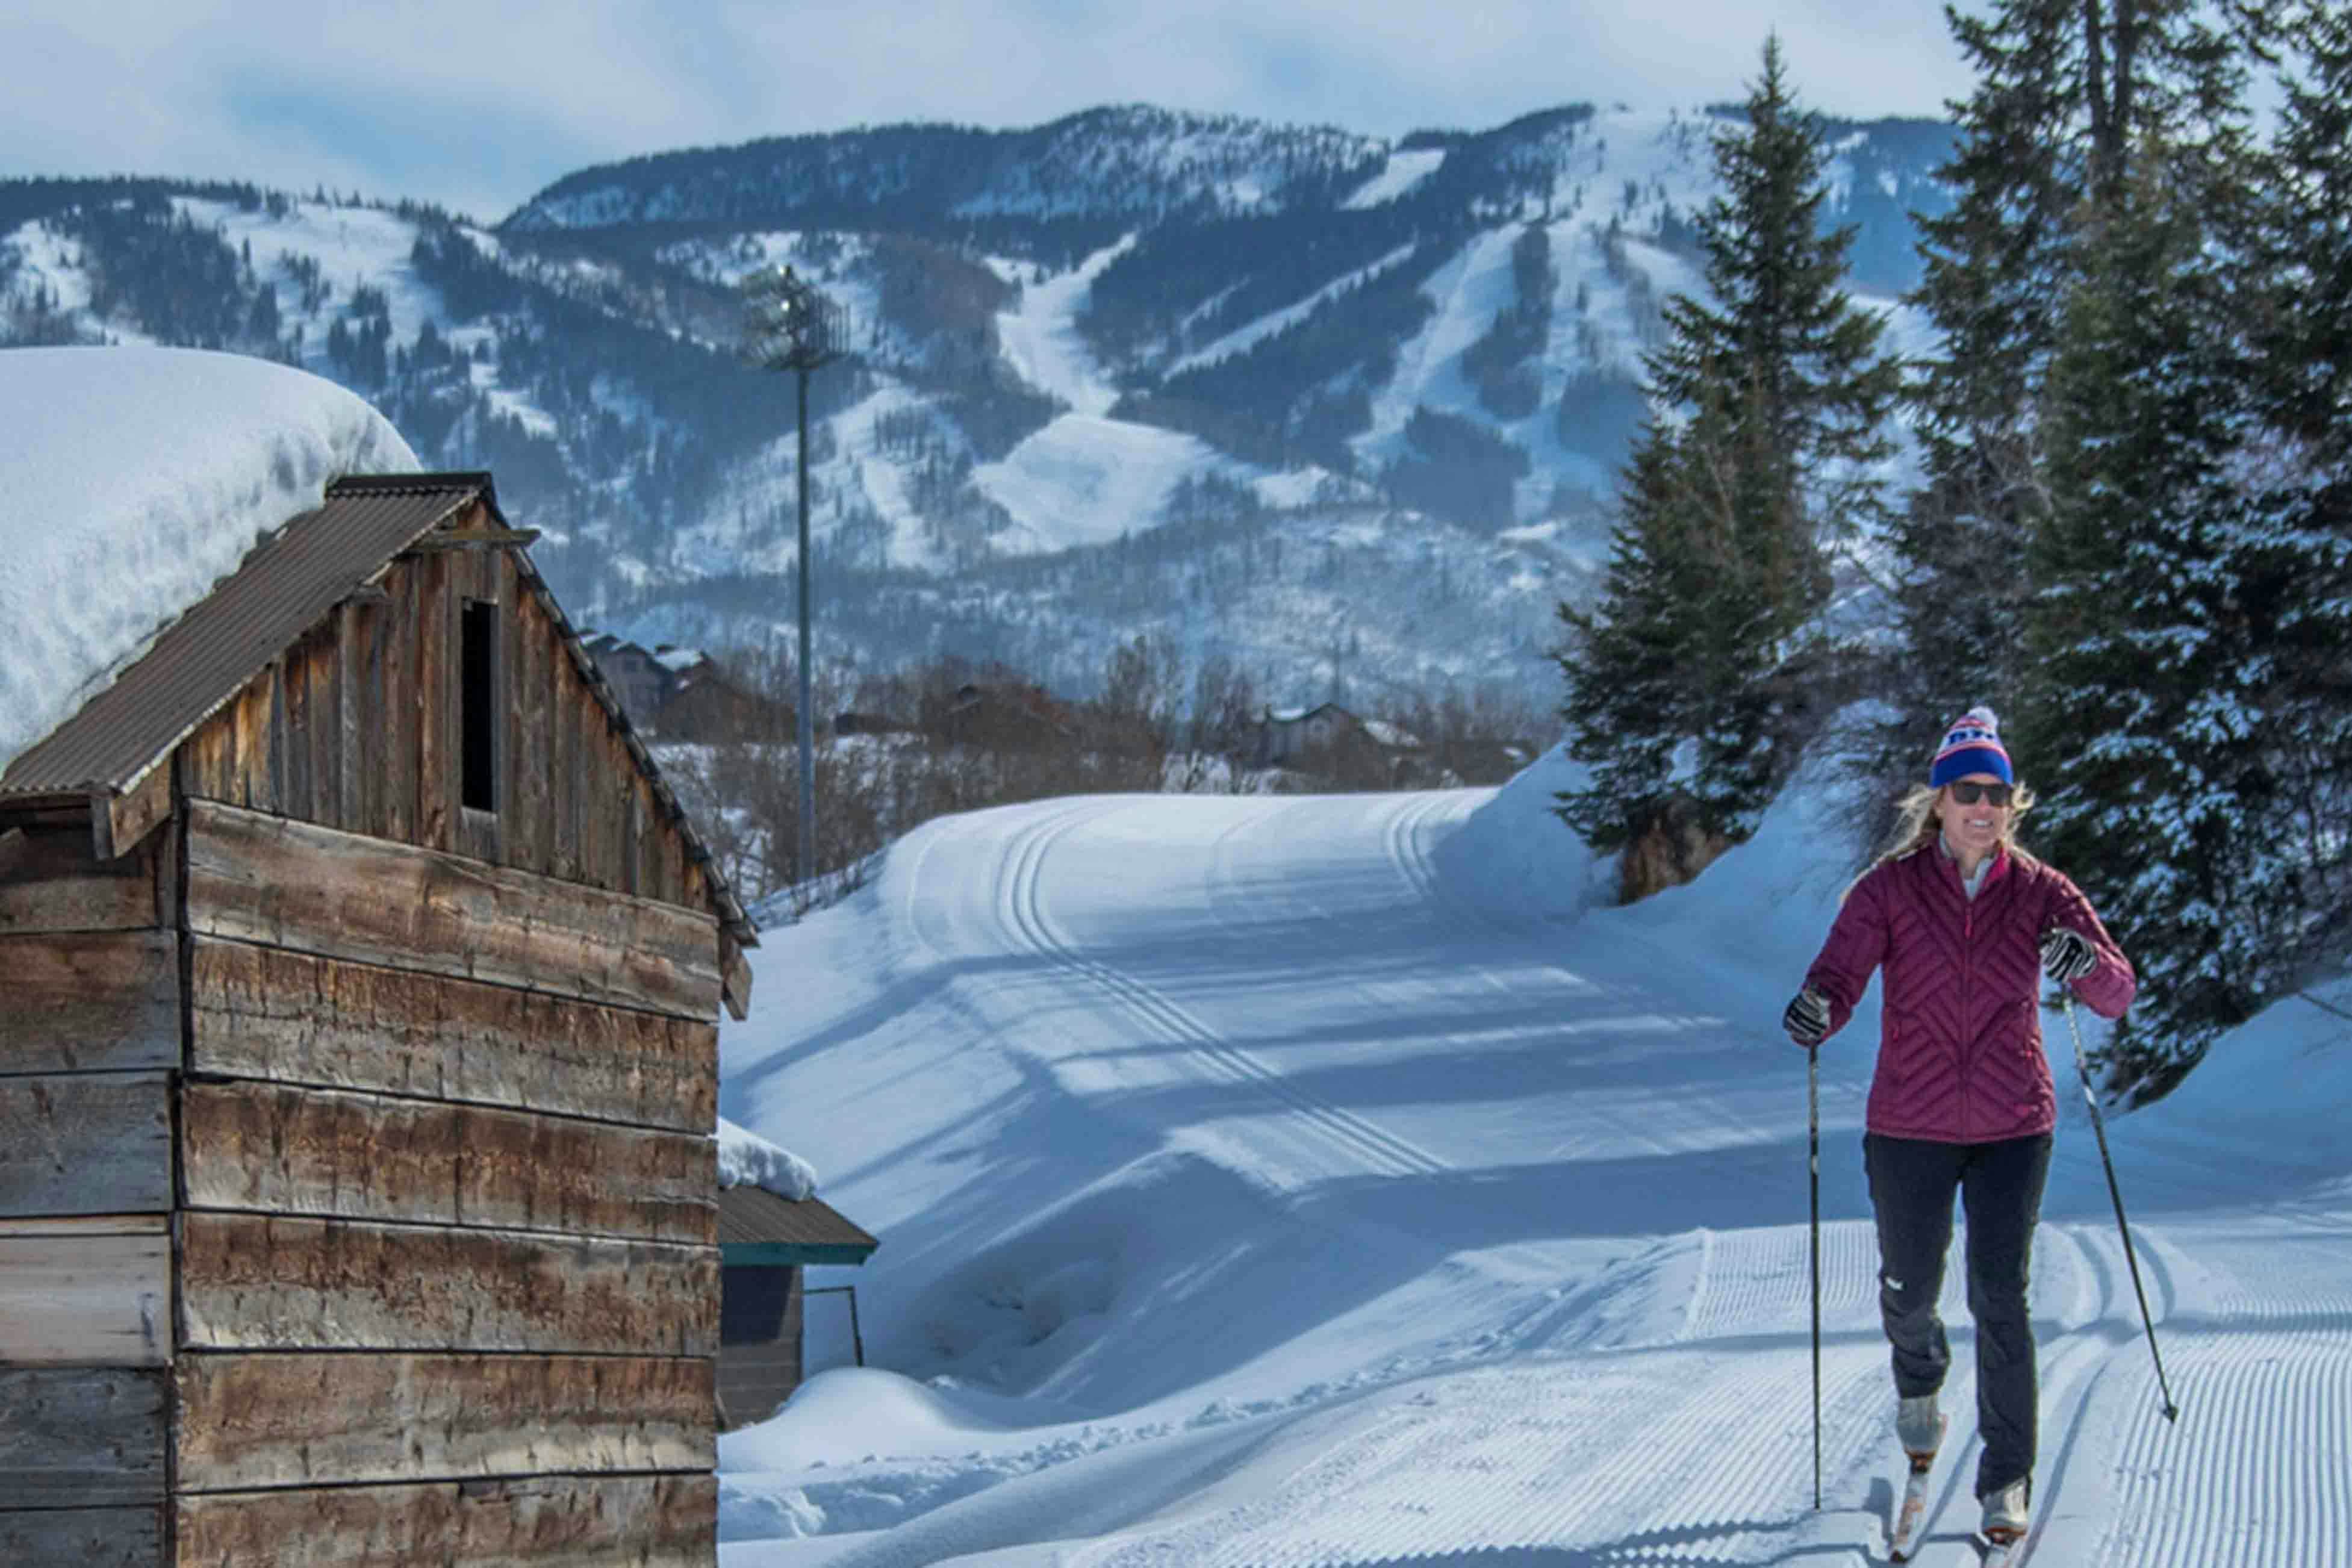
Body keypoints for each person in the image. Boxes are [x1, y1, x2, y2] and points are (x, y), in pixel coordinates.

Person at [1780, 707, 2135, 1546]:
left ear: (2013, 804)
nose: (1983, 807)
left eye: (1997, 794)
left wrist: (2085, 966)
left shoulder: (2043, 891)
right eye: (1967, 792)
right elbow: (1837, 977)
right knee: (1908, 1289)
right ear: (1937, 801)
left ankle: (2005, 1477)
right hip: (1910, 1120)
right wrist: (1816, 1010)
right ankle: (1920, 1381)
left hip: (2013, 1122)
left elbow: (2116, 993)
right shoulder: (1889, 889)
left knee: (1998, 1295)